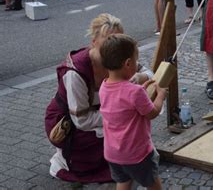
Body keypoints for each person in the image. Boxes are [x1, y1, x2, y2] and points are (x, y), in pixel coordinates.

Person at [44, 13, 154, 183]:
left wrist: (140, 77)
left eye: (116, 40)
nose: (112, 45)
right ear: (94, 41)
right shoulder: (76, 72)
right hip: (71, 123)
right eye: (107, 40)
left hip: (106, 116)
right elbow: (81, 120)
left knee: (128, 137)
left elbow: (149, 73)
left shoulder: (117, 57)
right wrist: (120, 116)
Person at [99, 34, 166, 190]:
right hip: (137, 154)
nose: (137, 64)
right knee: (152, 182)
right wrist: (161, 96)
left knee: (123, 182)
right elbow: (152, 112)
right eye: (136, 61)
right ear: (128, 63)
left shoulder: (104, 86)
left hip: (113, 153)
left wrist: (142, 90)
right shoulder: (134, 92)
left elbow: (123, 104)